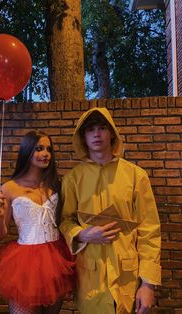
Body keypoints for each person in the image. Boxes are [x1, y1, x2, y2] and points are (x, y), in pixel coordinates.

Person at [60, 107, 161, 314]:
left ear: (112, 133)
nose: (96, 134)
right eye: (90, 129)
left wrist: (148, 284)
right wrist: (81, 233)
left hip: (128, 279)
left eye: (102, 128)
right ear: (83, 136)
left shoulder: (136, 176)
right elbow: (64, 221)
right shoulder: (73, 179)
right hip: (90, 278)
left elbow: (149, 230)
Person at [0, 130, 75, 314]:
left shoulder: (56, 185)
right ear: (27, 151)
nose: (45, 154)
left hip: (56, 258)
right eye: (39, 148)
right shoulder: (9, 187)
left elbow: (65, 220)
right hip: (25, 263)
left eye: (48, 149)